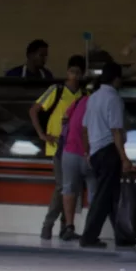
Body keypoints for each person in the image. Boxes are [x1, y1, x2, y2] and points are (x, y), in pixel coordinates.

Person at [31, 55, 86, 240]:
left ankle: (65, 228)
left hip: (74, 146)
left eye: (79, 73)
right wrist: (42, 135)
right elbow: (34, 110)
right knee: (63, 186)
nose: (75, 76)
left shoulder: (84, 95)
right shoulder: (57, 90)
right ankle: (49, 225)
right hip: (57, 145)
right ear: (67, 72)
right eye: (72, 72)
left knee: (71, 188)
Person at [80, 62, 133, 249]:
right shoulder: (114, 99)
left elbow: (84, 128)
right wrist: (124, 158)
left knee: (112, 196)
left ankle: (122, 235)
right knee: (104, 196)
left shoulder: (92, 98)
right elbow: (116, 130)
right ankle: (88, 237)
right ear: (116, 79)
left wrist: (87, 152)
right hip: (109, 150)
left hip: (95, 151)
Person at [58, 86, 96, 241]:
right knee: (94, 193)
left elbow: (65, 118)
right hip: (92, 154)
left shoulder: (79, 101)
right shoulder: (102, 104)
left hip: (70, 151)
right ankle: (91, 230)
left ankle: (69, 227)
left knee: (69, 189)